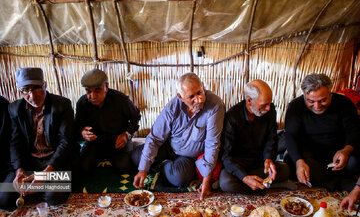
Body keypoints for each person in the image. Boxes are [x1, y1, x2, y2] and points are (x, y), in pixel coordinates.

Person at [132, 72, 225, 200]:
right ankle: (160, 165)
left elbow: (212, 143)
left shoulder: (215, 105)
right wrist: (143, 169)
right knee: (137, 157)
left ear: (203, 87)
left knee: (178, 177)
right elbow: (155, 138)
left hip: (188, 157)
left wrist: (206, 180)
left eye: (200, 92)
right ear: (180, 97)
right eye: (191, 97)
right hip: (169, 146)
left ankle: (161, 166)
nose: (198, 99)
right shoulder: (173, 107)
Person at [0, 67, 77, 210]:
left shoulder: (62, 105)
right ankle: (35, 182)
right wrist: (19, 170)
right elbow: (14, 142)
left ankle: (43, 183)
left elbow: (66, 142)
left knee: (54, 197)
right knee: (4, 200)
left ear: (45, 86)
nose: (32, 95)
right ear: (20, 91)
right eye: (25, 90)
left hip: (55, 162)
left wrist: (47, 172)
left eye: (36, 88)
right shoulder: (14, 109)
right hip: (30, 162)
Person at [285, 73, 360, 191]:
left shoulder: (344, 103)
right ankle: (338, 183)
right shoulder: (295, 107)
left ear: (330, 93)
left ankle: (330, 179)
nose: (317, 106)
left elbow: (354, 131)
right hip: (312, 156)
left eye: (323, 100)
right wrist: (299, 162)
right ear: (304, 95)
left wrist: (346, 150)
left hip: (339, 154)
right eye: (310, 101)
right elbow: (290, 136)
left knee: (354, 162)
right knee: (290, 160)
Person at [219, 80, 290, 194]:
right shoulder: (232, 117)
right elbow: (226, 156)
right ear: (249, 101)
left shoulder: (270, 111)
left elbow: (271, 139)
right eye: (264, 105)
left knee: (285, 170)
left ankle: (260, 184)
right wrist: (244, 177)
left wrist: (268, 159)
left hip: (259, 161)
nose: (268, 108)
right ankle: (266, 186)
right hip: (239, 164)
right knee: (226, 183)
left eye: (269, 103)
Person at [75, 69, 141, 175]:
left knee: (124, 167)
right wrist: (82, 132)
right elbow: (77, 125)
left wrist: (126, 134)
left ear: (106, 86)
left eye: (97, 90)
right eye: (88, 91)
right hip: (95, 143)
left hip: (118, 142)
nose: (93, 96)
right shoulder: (82, 104)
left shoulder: (121, 100)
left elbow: (136, 117)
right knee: (82, 168)